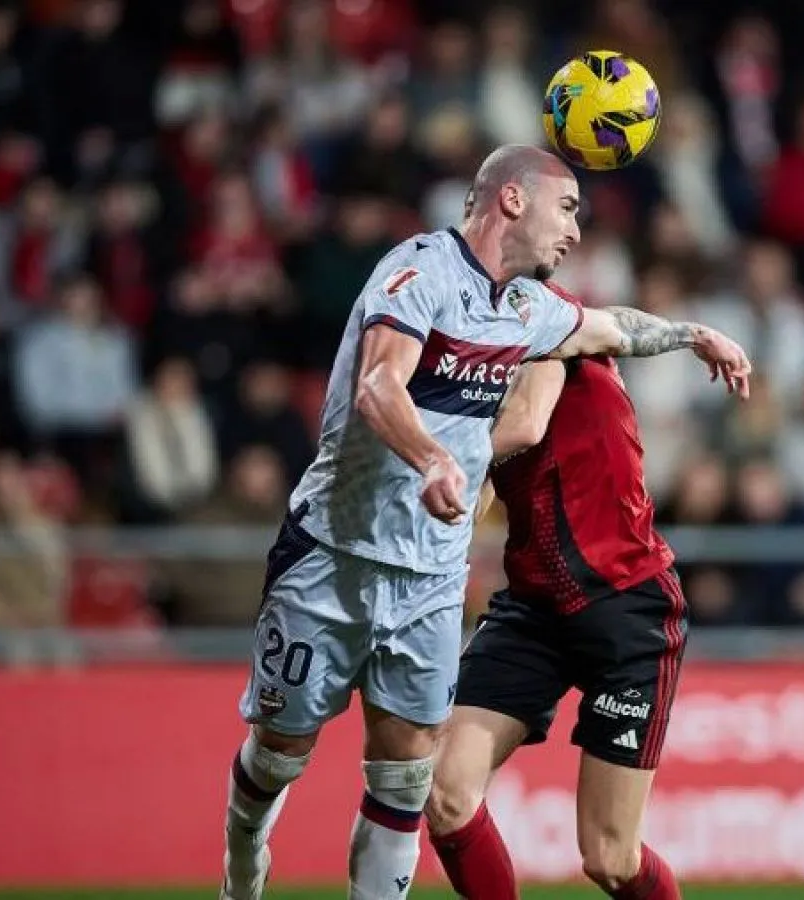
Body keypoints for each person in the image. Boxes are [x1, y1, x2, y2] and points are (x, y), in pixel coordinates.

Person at [218, 144, 751, 900]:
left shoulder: (531, 313)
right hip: (335, 555)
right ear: (511, 200)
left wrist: (694, 334)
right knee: (281, 751)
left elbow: (613, 327)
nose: (575, 229)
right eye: (566, 208)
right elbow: (378, 385)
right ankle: (244, 859)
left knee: (412, 779)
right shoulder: (418, 273)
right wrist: (436, 458)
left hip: (448, 576)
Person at [419, 283, 729, 900]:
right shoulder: (465, 374)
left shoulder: (532, 319)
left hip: (627, 604)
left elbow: (530, 422)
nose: (571, 231)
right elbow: (475, 496)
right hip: (534, 607)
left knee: (610, 859)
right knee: (445, 793)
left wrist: (431, 444)